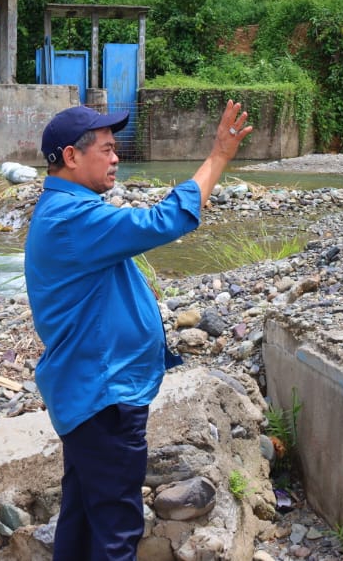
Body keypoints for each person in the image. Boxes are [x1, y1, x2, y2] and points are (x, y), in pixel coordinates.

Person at [24, 99, 252, 561]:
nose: (115, 159)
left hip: (93, 392)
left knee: (84, 516)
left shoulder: (70, 210)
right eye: (106, 149)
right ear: (71, 156)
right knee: (116, 528)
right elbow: (164, 220)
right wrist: (219, 158)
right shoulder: (74, 218)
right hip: (104, 397)